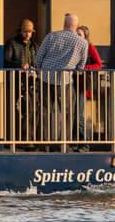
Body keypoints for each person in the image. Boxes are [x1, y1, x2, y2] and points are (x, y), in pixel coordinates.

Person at [31, 13, 90, 146]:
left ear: (64, 24)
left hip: (46, 78)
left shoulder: (51, 36)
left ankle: (45, 143)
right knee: (68, 112)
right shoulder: (82, 42)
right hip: (66, 81)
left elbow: (38, 59)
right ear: (76, 26)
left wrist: (41, 69)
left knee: (45, 110)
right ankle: (64, 142)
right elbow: (81, 67)